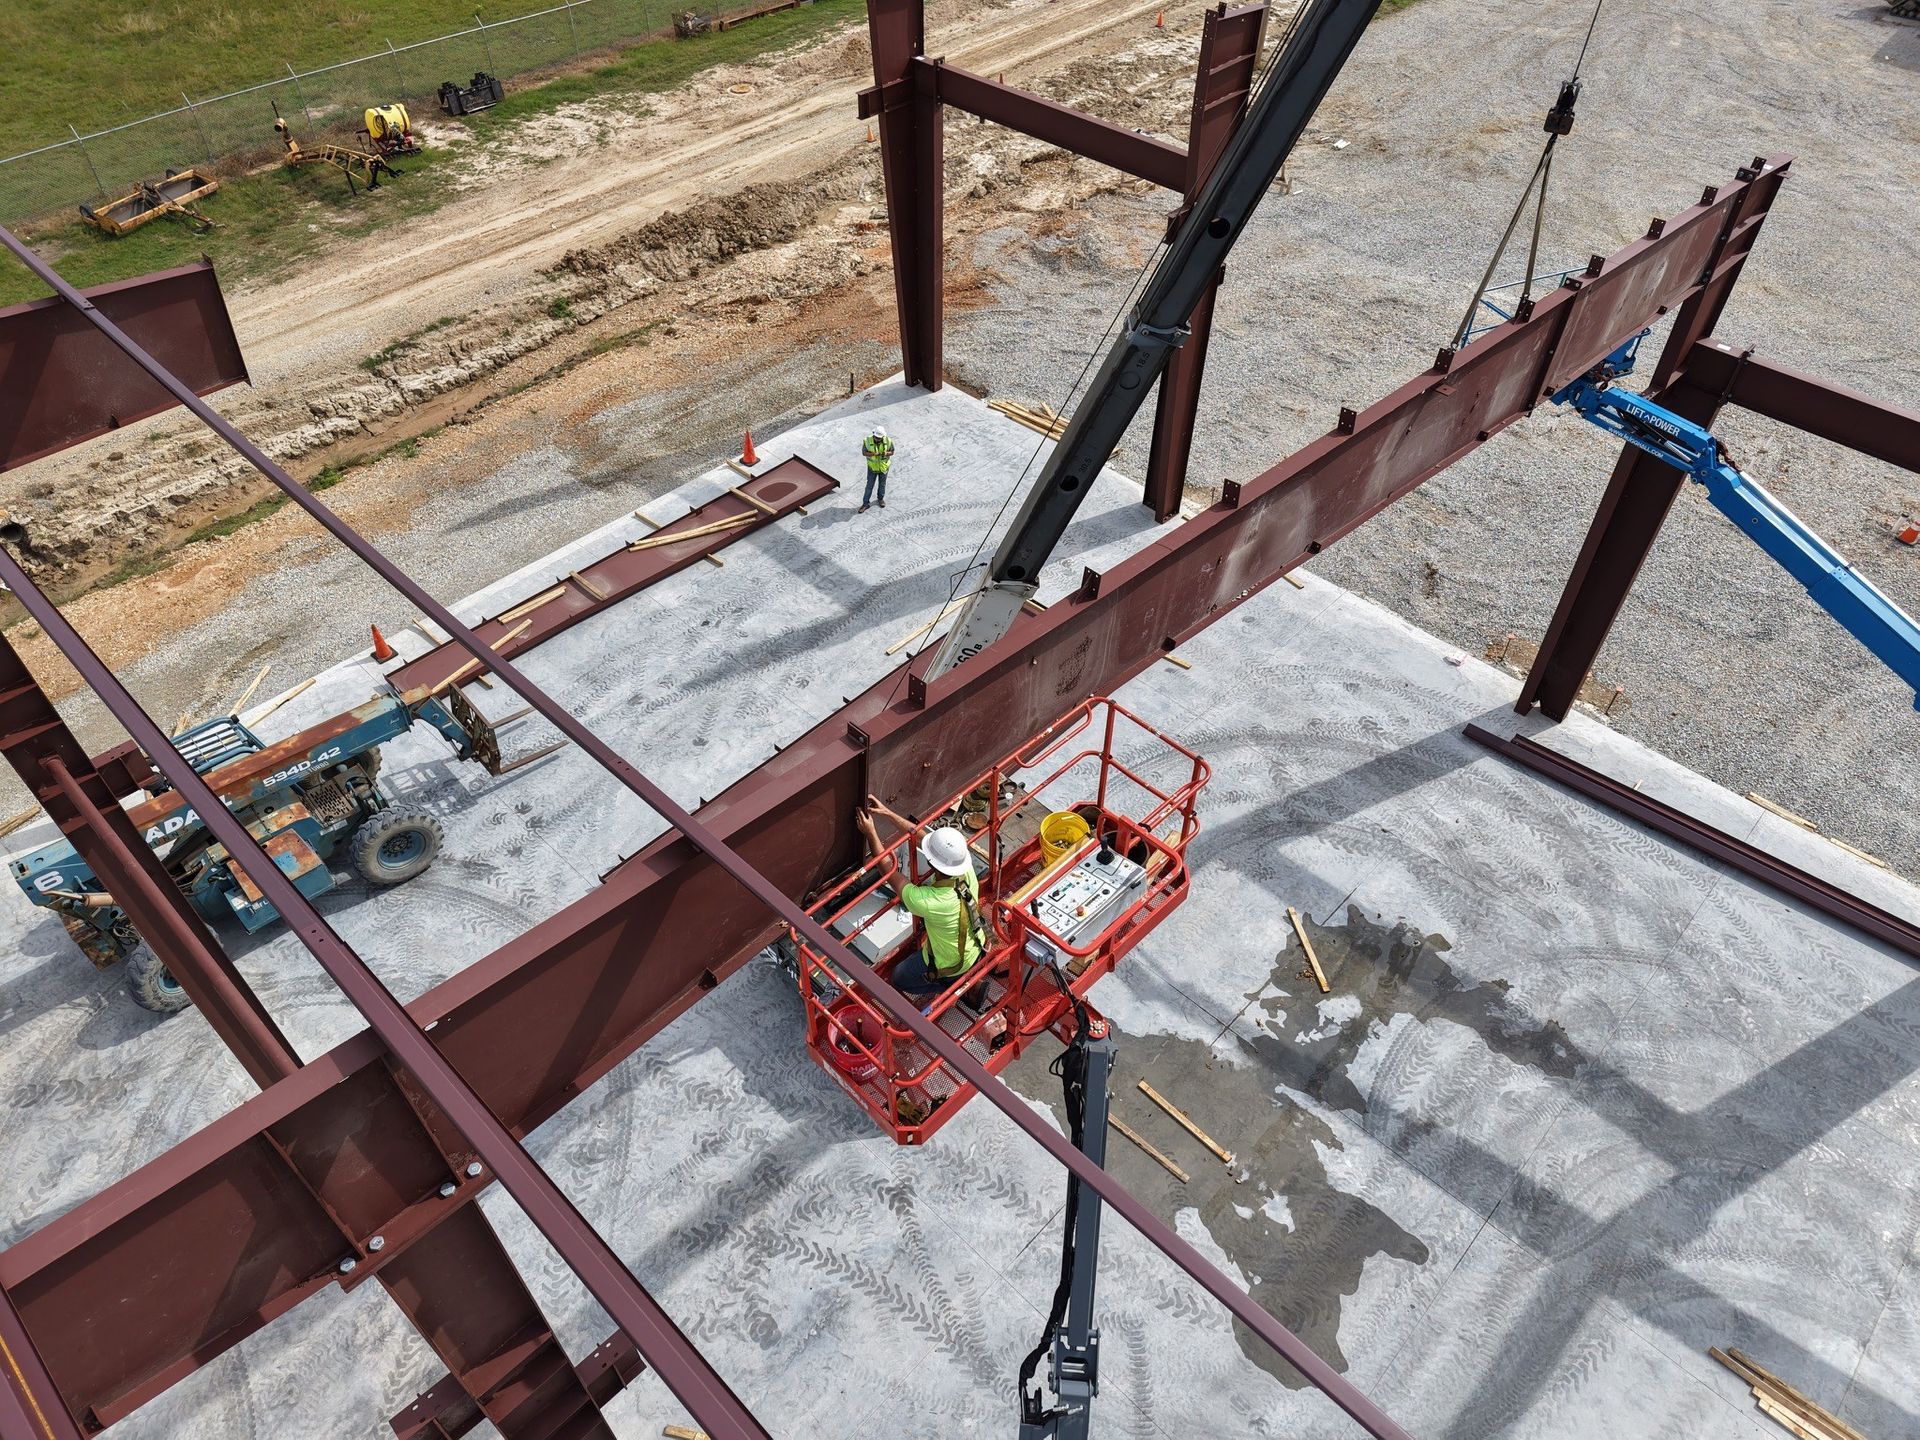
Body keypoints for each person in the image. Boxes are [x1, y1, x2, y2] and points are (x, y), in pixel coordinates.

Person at [855, 794, 984, 1003]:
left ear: (932, 864)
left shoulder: (930, 902)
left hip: (949, 964)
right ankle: (967, 979)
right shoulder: (965, 870)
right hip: (975, 947)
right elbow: (920, 836)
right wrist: (887, 813)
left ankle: (948, 985)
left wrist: (870, 833)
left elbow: (888, 870)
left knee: (898, 977)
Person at [859, 425, 895, 513]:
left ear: (883, 437)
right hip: (872, 468)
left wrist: (886, 453)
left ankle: (880, 499)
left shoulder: (888, 441)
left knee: (882, 484)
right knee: (869, 486)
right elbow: (864, 453)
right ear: (873, 434)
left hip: (884, 467)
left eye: (879, 438)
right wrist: (873, 454)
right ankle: (865, 503)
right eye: (876, 437)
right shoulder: (867, 440)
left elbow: (892, 452)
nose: (877, 439)